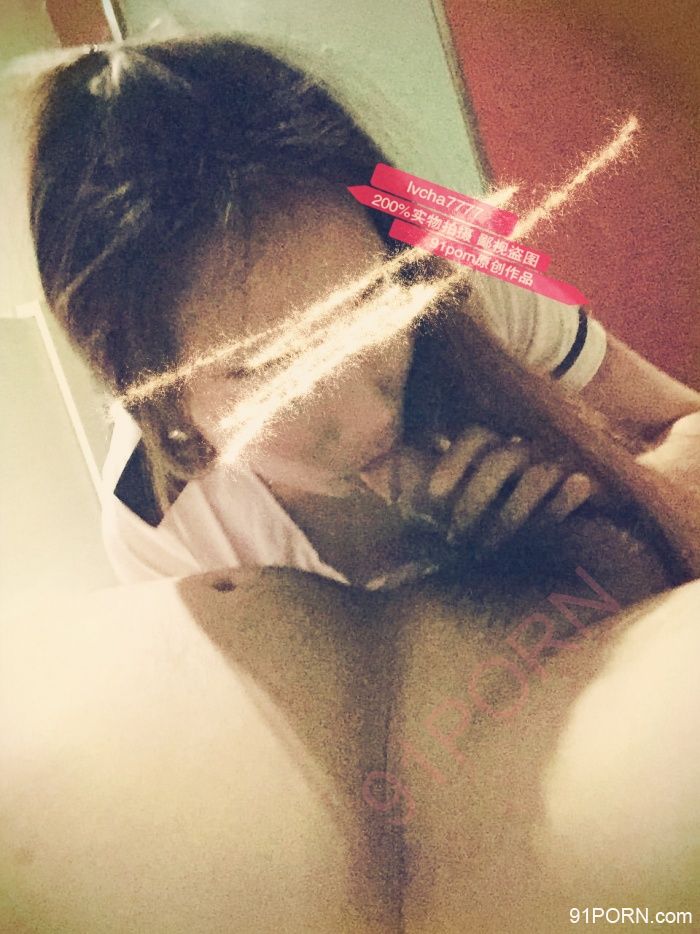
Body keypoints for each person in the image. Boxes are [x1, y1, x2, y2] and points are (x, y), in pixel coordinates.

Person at [28, 36, 700, 589]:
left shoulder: (457, 280)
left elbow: (685, 424)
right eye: (265, 372)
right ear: (147, 385)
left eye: (370, 310)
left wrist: (602, 510)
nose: (368, 418)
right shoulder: (164, 528)